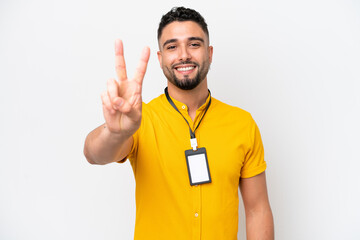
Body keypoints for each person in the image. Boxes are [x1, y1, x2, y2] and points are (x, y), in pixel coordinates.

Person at [84, 7, 274, 240]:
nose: (183, 55)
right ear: (160, 58)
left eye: (194, 44)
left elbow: (257, 210)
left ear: (210, 53)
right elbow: (94, 154)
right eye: (172, 46)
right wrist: (114, 132)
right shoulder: (140, 119)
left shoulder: (242, 124)